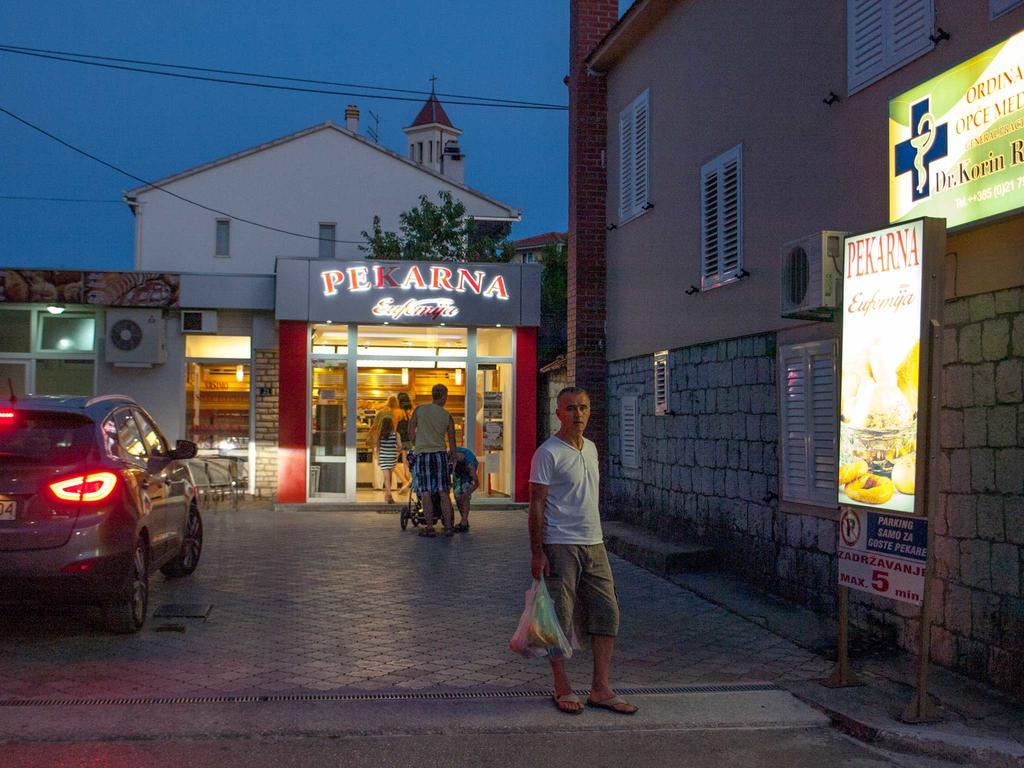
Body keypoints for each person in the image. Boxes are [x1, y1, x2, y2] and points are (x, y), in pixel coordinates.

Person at [528, 386, 638, 716]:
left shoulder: (590, 448)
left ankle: (601, 688)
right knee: (559, 617)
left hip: (595, 542)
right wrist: (538, 553)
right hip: (560, 543)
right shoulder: (548, 453)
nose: (578, 414)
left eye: (583, 408)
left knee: (607, 612)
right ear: (559, 413)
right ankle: (562, 686)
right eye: (571, 408)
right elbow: (536, 505)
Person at [408, 383, 456, 537]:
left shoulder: (420, 410)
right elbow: (452, 440)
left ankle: (429, 528)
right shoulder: (447, 416)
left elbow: (410, 430)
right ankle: (448, 527)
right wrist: (453, 457)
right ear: (444, 396)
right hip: (440, 455)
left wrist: (416, 443)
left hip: (423, 455)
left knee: (426, 492)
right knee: (444, 492)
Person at [451, 446, 479, 532]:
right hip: (458, 468)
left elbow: (477, 483)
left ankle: (463, 522)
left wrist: (466, 494)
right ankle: (464, 521)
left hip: (465, 469)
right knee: (457, 496)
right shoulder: (452, 456)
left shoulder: (470, 465)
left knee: (464, 497)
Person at [376, 414, 402, 504]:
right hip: (392, 457)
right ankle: (388, 495)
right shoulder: (396, 434)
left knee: (386, 478)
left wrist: (378, 459)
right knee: (390, 478)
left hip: (383, 457)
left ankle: (388, 494)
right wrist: (396, 452)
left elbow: (378, 448)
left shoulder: (380, 434)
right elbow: (400, 446)